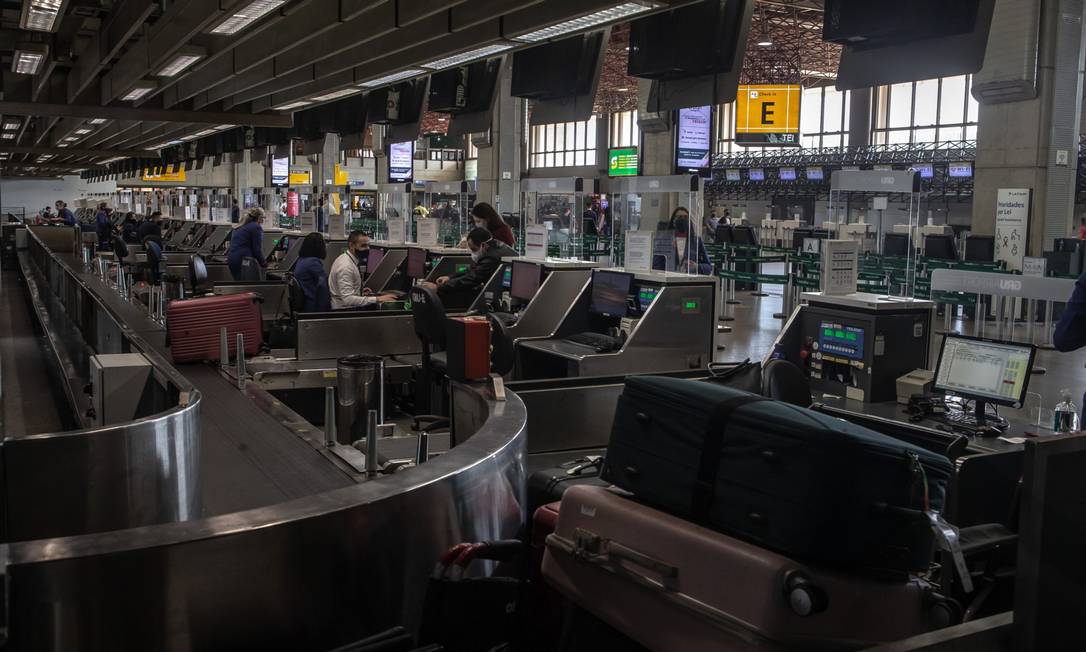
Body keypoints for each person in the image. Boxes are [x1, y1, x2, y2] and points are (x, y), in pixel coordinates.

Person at [423, 227, 517, 302]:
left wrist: (439, 288)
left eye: (474, 249)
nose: (473, 253)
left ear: (483, 245)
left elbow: (472, 278)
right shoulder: (494, 247)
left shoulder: (492, 257)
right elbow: (473, 270)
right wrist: (450, 278)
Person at [329, 230, 397, 309]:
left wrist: (358, 291)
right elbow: (348, 299)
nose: (367, 248)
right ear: (351, 245)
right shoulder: (346, 266)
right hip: (344, 312)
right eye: (363, 246)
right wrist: (378, 299)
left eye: (368, 245)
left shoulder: (347, 259)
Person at [658, 206, 713, 275]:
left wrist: (697, 267)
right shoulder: (664, 240)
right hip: (669, 279)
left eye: (686, 217)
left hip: (690, 280)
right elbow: (655, 265)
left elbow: (709, 267)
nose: (683, 219)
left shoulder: (697, 241)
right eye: (679, 217)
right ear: (673, 220)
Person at [227, 207, 268, 280]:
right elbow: (257, 250)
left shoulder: (241, 226)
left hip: (232, 259)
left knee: (240, 284)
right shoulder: (256, 227)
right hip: (244, 260)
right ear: (259, 218)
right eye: (263, 218)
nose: (263, 221)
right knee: (250, 286)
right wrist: (264, 264)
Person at [293, 233, 330, 312]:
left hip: (304, 306)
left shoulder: (301, 260)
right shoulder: (313, 263)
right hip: (313, 308)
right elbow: (323, 287)